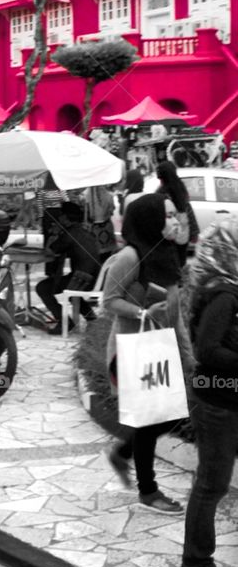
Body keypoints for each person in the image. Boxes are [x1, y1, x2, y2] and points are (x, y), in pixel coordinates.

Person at [103, 194, 185, 513]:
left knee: (171, 415)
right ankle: (148, 491)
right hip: (131, 349)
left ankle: (122, 453)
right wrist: (143, 312)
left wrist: (187, 354)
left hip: (158, 347)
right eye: (168, 216)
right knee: (153, 418)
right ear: (151, 220)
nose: (175, 220)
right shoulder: (129, 257)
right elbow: (108, 301)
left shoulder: (165, 254)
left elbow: (174, 311)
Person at [178, 219, 238, 567]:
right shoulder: (224, 295)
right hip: (218, 403)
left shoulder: (225, 290)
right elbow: (207, 350)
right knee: (211, 484)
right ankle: (195, 562)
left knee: (212, 481)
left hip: (225, 398)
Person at [36, 203, 101, 334]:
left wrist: (54, 234)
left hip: (82, 279)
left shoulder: (70, 233)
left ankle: (64, 322)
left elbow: (50, 251)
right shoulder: (85, 231)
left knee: (42, 287)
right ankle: (92, 319)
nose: (59, 218)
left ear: (65, 218)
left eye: (60, 216)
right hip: (95, 278)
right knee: (71, 290)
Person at [155, 159, 199, 267]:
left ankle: (176, 280)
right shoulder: (181, 187)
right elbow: (188, 208)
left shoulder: (161, 193)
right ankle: (180, 280)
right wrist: (194, 231)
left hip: (169, 233)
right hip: (184, 230)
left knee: (171, 262)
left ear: (162, 177)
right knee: (181, 259)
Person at [85, 184, 117, 262]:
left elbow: (86, 215)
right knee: (107, 258)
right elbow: (111, 211)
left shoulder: (86, 195)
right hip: (107, 228)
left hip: (93, 229)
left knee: (94, 258)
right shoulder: (109, 195)